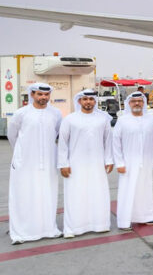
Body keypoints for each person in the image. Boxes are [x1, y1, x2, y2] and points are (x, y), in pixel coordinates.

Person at [7, 82, 62, 244]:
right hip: (25, 161)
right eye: (40, 94)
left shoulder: (56, 113)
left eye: (46, 95)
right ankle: (21, 231)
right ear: (32, 95)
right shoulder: (21, 113)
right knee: (24, 194)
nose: (43, 98)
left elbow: (56, 133)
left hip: (48, 161)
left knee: (47, 193)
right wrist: (22, 154)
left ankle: (47, 229)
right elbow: (12, 136)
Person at [57, 89, 113, 238]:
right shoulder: (70, 119)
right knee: (76, 194)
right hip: (75, 165)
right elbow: (62, 143)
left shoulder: (103, 119)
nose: (88, 102)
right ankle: (73, 228)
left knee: (98, 193)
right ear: (79, 101)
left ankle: (100, 224)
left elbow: (108, 141)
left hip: (97, 164)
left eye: (91, 99)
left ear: (95, 101)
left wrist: (109, 160)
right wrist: (63, 164)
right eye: (85, 99)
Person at [113, 92, 153, 230]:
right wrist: (120, 163)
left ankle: (145, 217)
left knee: (145, 189)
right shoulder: (123, 120)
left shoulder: (150, 120)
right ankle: (124, 221)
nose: (137, 104)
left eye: (140, 101)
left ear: (144, 103)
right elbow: (116, 143)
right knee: (127, 191)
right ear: (129, 104)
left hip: (146, 162)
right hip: (128, 163)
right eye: (134, 101)